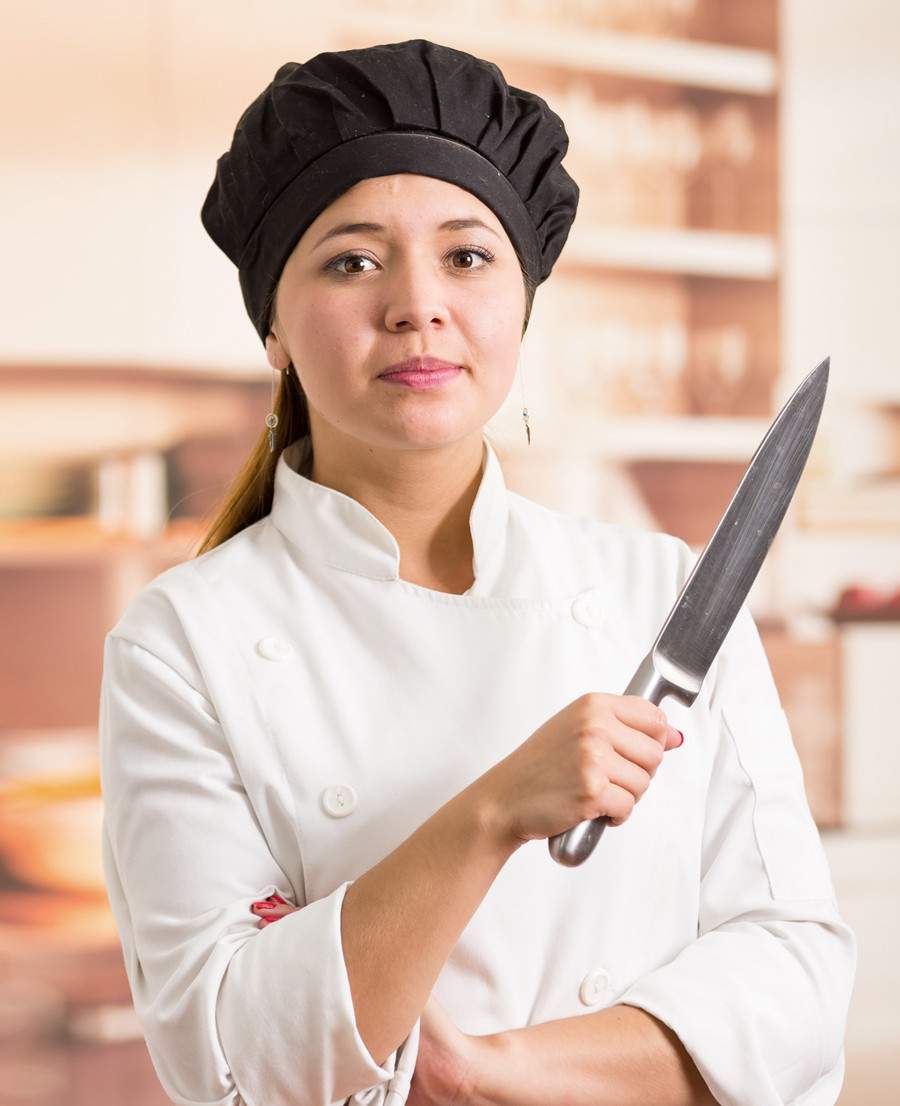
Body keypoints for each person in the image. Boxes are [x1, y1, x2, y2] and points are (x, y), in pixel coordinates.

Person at [98, 38, 856, 1106]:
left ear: (523, 302)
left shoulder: (662, 589)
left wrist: (497, 1073)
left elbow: (798, 980)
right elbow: (233, 1055)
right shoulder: (181, 642)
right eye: (352, 260)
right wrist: (493, 808)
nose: (417, 304)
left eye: (466, 256)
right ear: (272, 323)